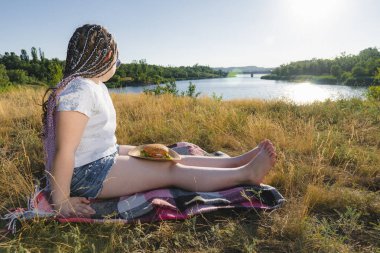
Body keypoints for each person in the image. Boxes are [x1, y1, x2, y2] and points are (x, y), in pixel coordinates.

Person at [41, 24, 277, 218]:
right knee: (169, 169)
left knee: (167, 155)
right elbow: (65, 150)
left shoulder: (92, 85)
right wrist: (61, 201)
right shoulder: (80, 90)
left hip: (101, 158)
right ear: (107, 58)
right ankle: (245, 175)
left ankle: (234, 162)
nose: (117, 66)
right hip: (87, 175)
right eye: (118, 61)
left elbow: (92, 141)